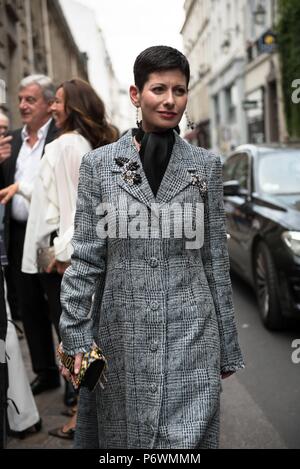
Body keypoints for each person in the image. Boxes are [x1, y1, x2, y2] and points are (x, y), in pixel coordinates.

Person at [59, 45, 244, 449]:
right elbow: (87, 256)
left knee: (186, 441)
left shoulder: (206, 166)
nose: (170, 99)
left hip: (192, 331)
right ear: (135, 94)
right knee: (129, 440)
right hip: (122, 332)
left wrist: (227, 344)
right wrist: (74, 331)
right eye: (158, 88)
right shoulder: (99, 165)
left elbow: (214, 259)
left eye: (179, 90)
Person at [21, 78, 117, 439]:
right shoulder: (82, 144)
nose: (54, 107)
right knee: (79, 336)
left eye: (59, 101)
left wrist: (62, 257)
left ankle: (81, 418)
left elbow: (75, 209)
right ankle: (84, 411)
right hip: (68, 256)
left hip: (65, 261)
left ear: (73, 106)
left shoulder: (66, 146)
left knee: (74, 340)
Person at [0, 75, 60, 394]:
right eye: (20, 98)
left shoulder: (61, 138)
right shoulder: (11, 140)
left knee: (59, 306)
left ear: (50, 105)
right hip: (19, 235)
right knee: (30, 306)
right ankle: (46, 372)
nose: (22, 105)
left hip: (50, 236)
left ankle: (73, 380)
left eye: (30, 100)